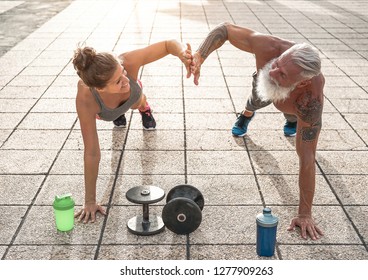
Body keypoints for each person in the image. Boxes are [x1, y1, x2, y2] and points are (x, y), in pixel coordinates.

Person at [190, 22, 325, 240]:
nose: (273, 71)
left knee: (292, 115)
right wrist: (199, 55)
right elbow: (224, 30)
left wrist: (304, 213)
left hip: (292, 105)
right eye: (278, 64)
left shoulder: (309, 102)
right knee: (256, 99)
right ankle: (246, 114)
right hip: (265, 92)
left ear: (301, 84)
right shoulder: (269, 48)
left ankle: (291, 120)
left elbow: (307, 158)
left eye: (282, 74)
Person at [72, 40, 192, 223]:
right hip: (106, 112)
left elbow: (168, 45)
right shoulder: (86, 97)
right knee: (113, 114)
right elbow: (92, 152)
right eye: (118, 81)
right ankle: (117, 115)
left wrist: (183, 54)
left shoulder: (128, 62)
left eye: (123, 72)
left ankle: (145, 108)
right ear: (100, 88)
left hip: (134, 98)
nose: (125, 79)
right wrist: (89, 201)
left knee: (137, 101)